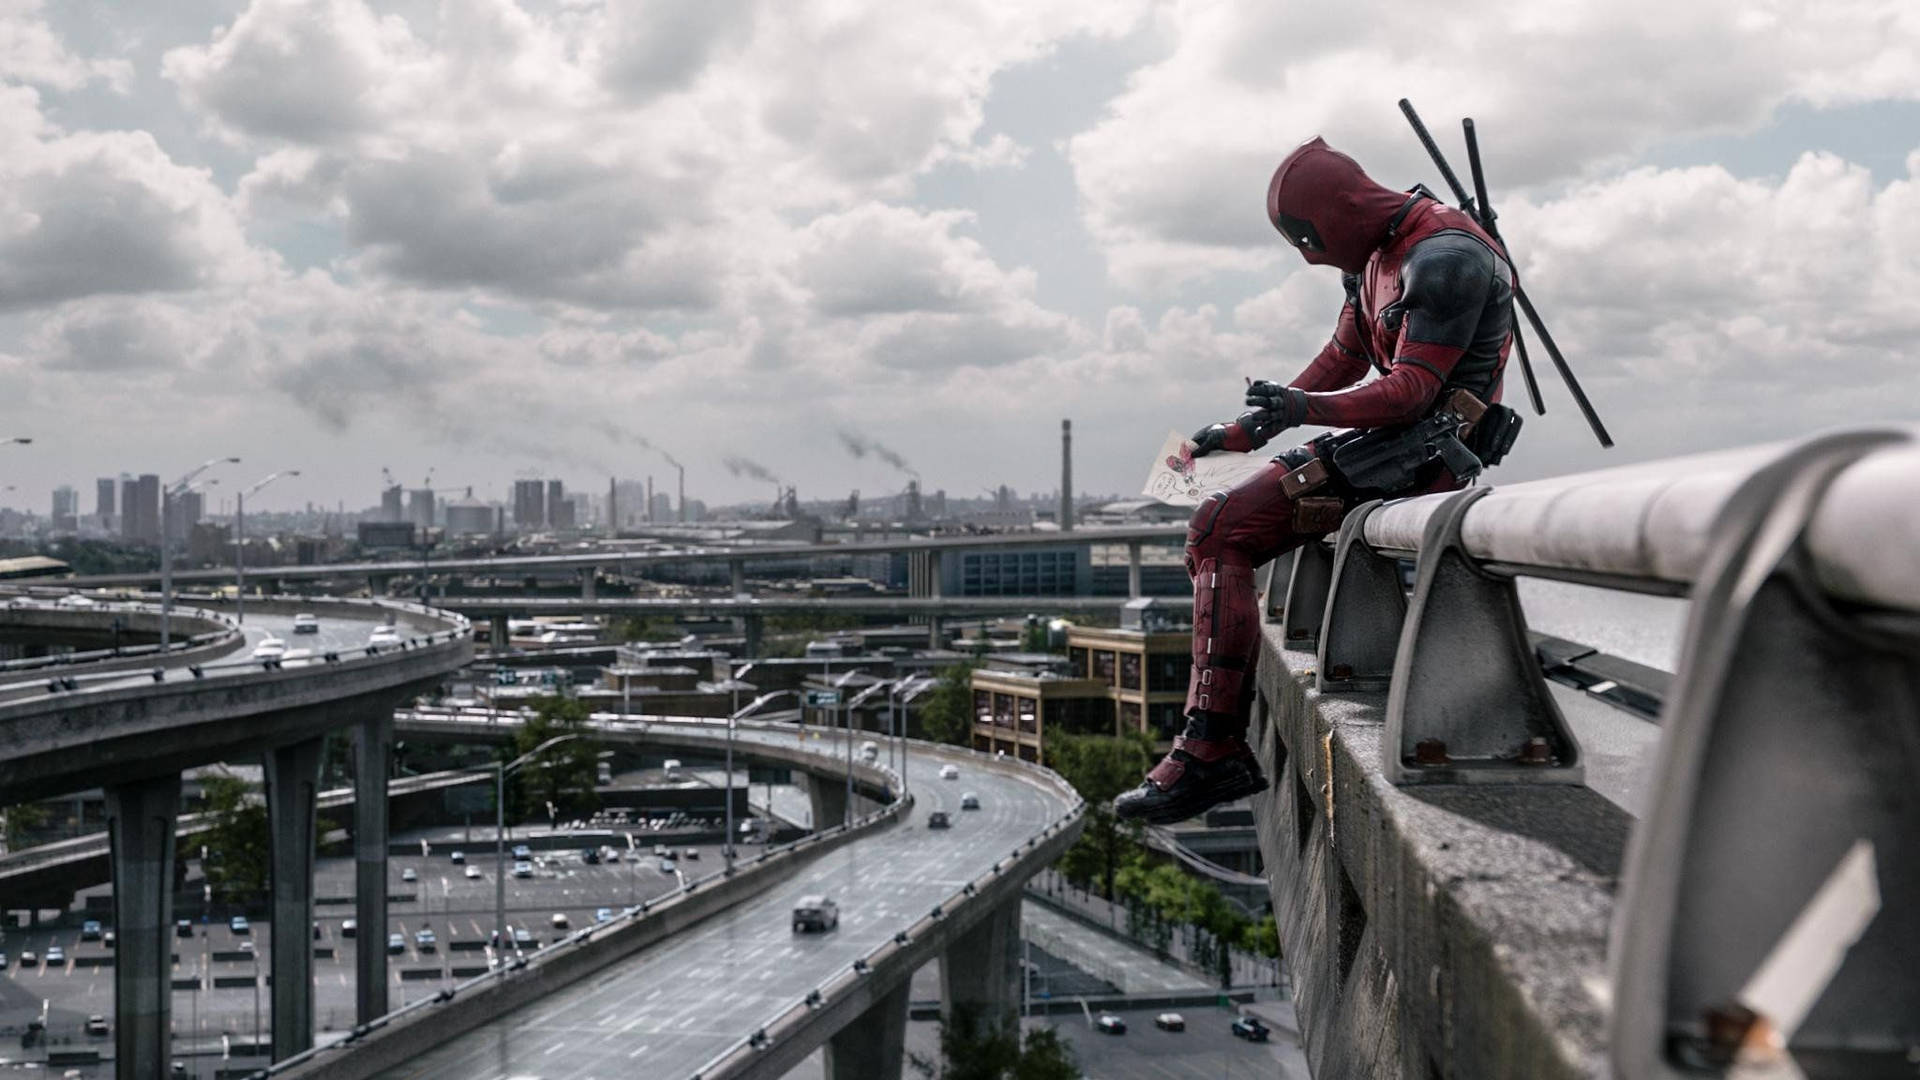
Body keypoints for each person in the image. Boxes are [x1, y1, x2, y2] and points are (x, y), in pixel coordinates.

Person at [1113, 136, 1519, 825]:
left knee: (1220, 527)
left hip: (1426, 452)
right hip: (1400, 443)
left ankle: (1209, 753)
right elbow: (1342, 355)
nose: (1307, 256)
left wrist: (1302, 412)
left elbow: (1412, 392)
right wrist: (1246, 431)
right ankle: (1208, 749)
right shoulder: (1373, 258)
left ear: (1339, 214)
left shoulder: (1446, 260)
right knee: (1216, 526)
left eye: (1310, 239)